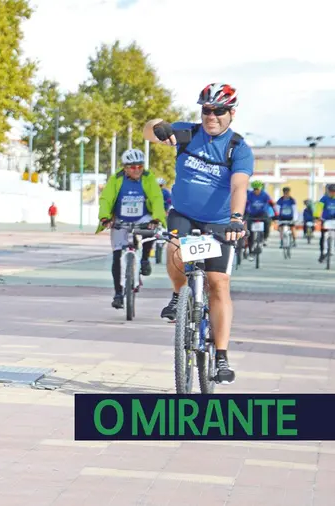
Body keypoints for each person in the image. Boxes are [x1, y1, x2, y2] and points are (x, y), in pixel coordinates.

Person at [143, 82, 253, 384]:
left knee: (218, 285)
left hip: (220, 223)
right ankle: (179, 295)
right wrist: (159, 126)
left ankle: (220, 357)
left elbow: (239, 185)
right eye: (206, 110)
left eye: (218, 111)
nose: (211, 116)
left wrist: (236, 218)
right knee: (175, 247)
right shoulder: (188, 134)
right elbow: (149, 132)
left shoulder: (238, 148)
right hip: (185, 215)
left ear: (231, 112)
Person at [96, 148, 166, 309]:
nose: (137, 170)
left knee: (150, 230)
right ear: (125, 167)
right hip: (120, 217)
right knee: (116, 255)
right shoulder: (116, 179)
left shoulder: (148, 178)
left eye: (140, 166)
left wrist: (156, 218)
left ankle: (145, 259)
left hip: (142, 216)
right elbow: (106, 198)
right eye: (133, 167)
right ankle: (118, 293)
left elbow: (156, 197)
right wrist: (105, 217)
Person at [244, 180, 276, 252]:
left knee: (267, 223)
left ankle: (264, 238)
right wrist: (245, 213)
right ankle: (250, 248)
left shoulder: (265, 195)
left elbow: (271, 203)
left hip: (263, 213)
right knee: (250, 232)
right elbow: (246, 204)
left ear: (260, 188)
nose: (256, 191)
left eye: (257, 189)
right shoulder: (250, 195)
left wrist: (275, 214)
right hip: (252, 213)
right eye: (254, 189)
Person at [317, 184, 335, 262]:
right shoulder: (324, 199)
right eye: (331, 191)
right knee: (323, 236)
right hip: (325, 220)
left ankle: (332, 250)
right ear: (328, 191)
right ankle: (322, 253)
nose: (332, 193)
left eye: (334, 191)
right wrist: (317, 215)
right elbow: (319, 208)